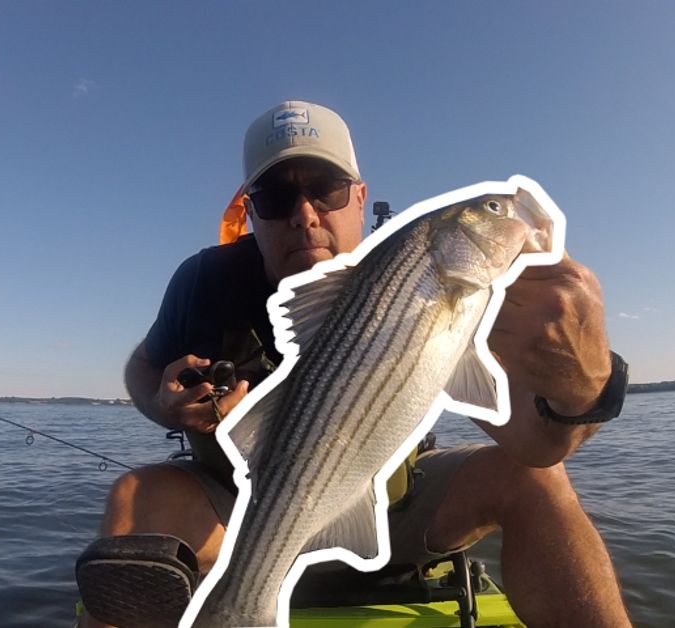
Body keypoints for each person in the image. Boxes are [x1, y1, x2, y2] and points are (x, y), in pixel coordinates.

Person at [81, 101, 632, 628]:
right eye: (275, 196)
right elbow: (144, 363)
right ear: (249, 211)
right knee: (134, 497)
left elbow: (538, 446)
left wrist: (585, 384)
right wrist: (161, 401)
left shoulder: (456, 288)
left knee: (538, 479)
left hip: (398, 501)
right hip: (242, 513)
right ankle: (244, 600)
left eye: (326, 189)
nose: (304, 215)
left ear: (360, 198)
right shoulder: (204, 282)